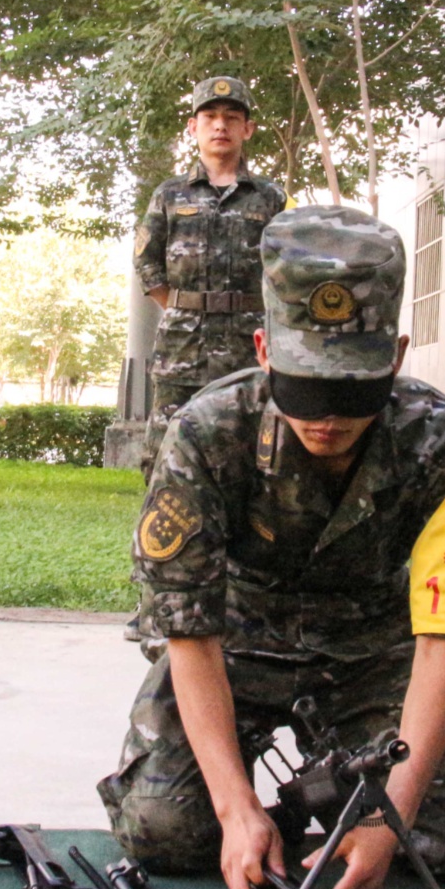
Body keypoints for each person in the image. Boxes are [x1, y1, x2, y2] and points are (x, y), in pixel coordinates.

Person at [99, 206, 445, 889]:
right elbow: (188, 631)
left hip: (373, 657)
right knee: (164, 830)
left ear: (398, 356)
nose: (327, 417)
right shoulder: (205, 434)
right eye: (305, 388)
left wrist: (395, 812)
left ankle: (357, 796)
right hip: (236, 649)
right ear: (262, 350)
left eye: (351, 390)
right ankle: (283, 811)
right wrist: (235, 810)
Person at [127, 76, 288, 641]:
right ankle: (153, 603)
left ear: (247, 129)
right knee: (164, 466)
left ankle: (242, 603)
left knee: (252, 466)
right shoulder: (170, 195)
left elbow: (283, 272)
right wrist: (187, 310)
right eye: (209, 115)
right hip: (181, 352)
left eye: (231, 115)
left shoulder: (269, 199)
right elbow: (148, 266)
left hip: (248, 348)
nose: (220, 125)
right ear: (193, 127)